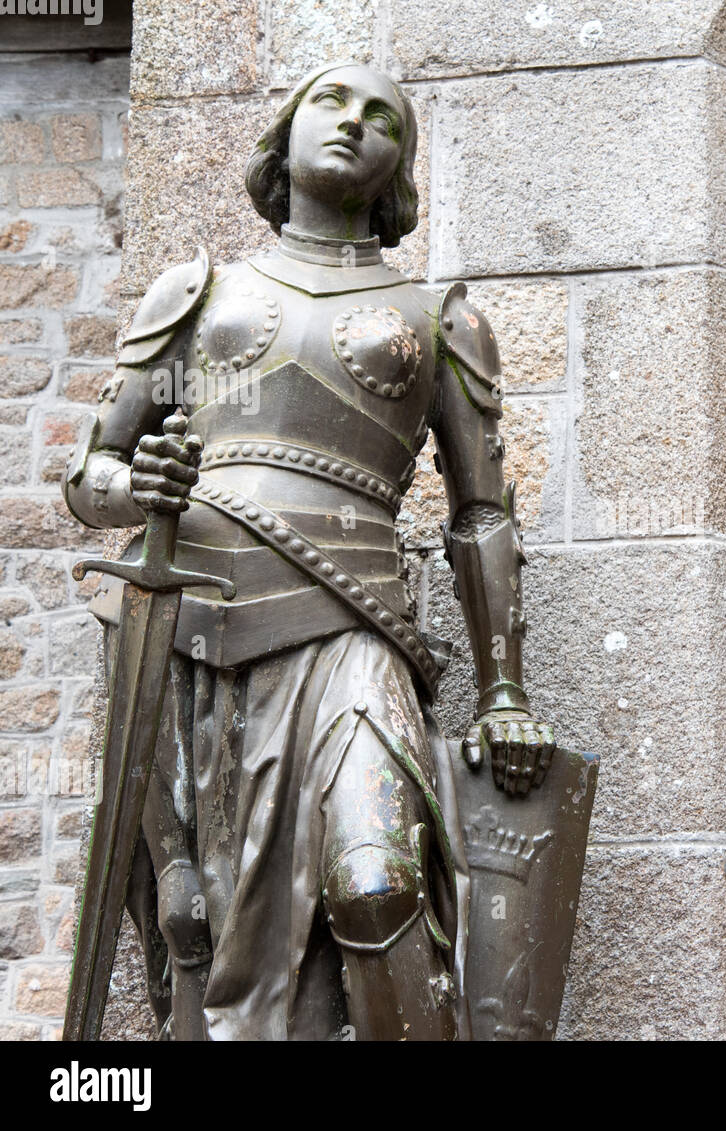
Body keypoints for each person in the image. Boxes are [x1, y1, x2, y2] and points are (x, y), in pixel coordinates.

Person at [62, 62, 554, 1040]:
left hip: (350, 630)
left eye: (384, 118)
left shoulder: (439, 320)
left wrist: (505, 695)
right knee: (188, 913)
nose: (355, 123)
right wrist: (138, 486)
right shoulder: (197, 294)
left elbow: (483, 516)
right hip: (183, 626)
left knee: (375, 883)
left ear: (399, 169)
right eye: (332, 102)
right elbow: (89, 475)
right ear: (282, 135)